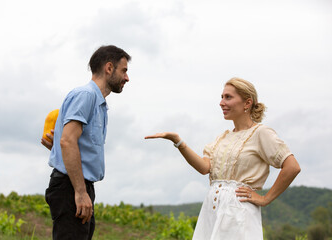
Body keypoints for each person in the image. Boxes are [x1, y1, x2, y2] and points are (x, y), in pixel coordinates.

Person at [145, 77, 301, 240]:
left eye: (228, 97)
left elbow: (292, 166)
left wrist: (265, 198)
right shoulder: (222, 138)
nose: (221, 102)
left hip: (238, 213)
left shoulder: (261, 133)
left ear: (247, 103)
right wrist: (178, 141)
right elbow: (204, 168)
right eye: (221, 97)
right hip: (212, 212)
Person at [41, 45, 131, 240]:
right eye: (124, 70)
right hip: (71, 186)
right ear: (109, 68)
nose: (127, 78)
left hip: (79, 185)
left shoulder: (99, 103)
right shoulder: (86, 95)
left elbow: (69, 141)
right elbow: (67, 141)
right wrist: (80, 193)